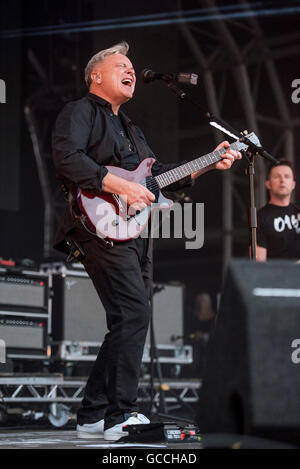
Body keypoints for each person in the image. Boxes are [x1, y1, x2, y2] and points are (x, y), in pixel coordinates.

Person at [52, 41, 241, 441]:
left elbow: (158, 177)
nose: (131, 71)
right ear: (95, 75)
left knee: (127, 318)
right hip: (95, 223)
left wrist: (211, 160)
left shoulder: (131, 128)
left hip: (134, 230)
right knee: (133, 313)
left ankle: (91, 415)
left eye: (133, 67)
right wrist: (121, 185)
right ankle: (120, 415)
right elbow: (67, 158)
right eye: (121, 65)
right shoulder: (80, 111)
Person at [256, 160, 300, 261]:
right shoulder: (260, 217)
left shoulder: (298, 211)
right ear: (268, 184)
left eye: (287, 176)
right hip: (277, 275)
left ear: (293, 184)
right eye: (277, 176)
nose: (282, 180)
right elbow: (258, 263)